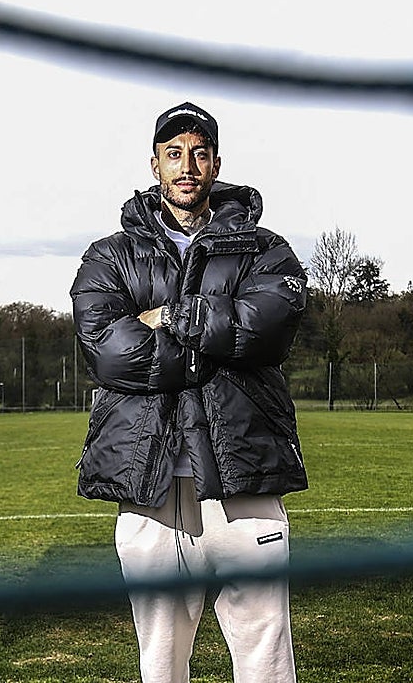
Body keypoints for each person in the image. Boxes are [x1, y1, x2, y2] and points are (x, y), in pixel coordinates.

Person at [70, 100, 309, 683]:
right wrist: (217, 332)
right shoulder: (109, 255)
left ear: (217, 164)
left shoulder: (265, 248)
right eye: (174, 153)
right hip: (150, 482)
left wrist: (163, 317)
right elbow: (108, 349)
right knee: (160, 662)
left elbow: (268, 327)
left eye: (199, 153)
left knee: (266, 655)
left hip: (241, 476)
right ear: (154, 165)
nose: (187, 165)